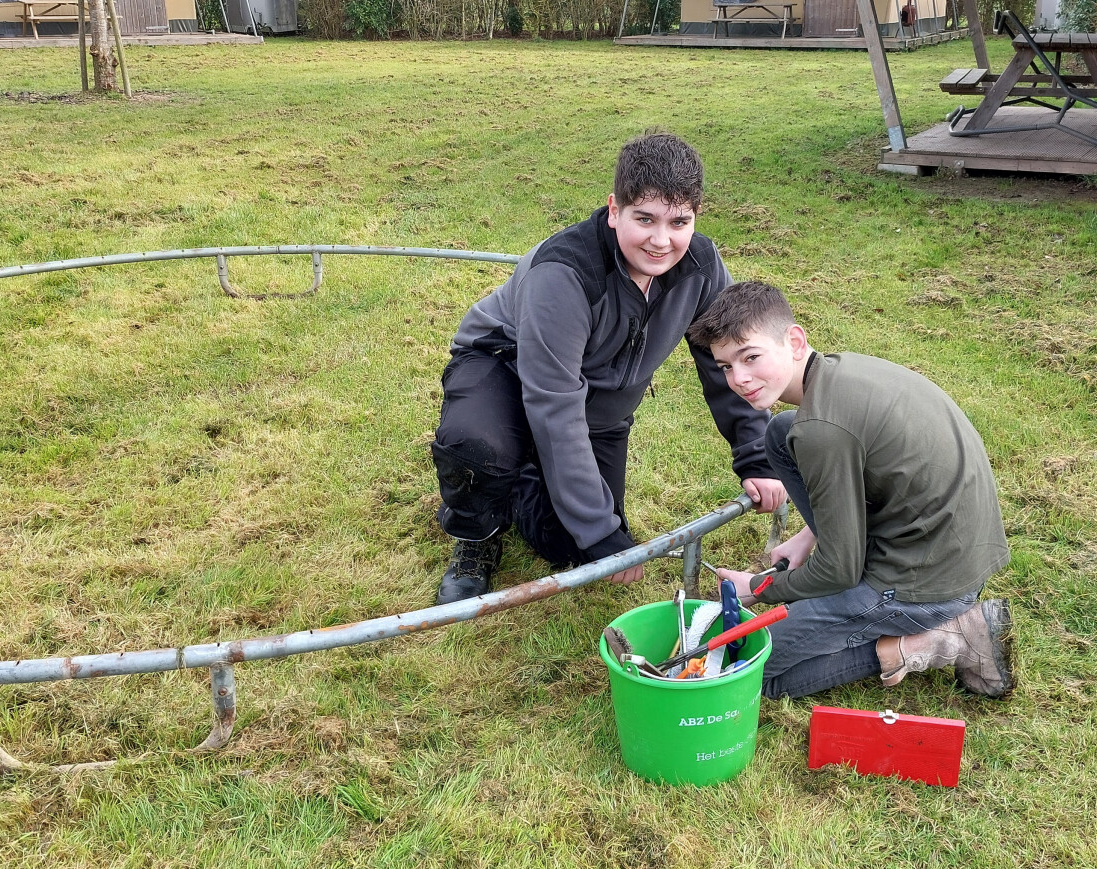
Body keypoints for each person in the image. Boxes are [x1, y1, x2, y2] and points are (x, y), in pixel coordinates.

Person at [430, 133, 786, 605]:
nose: (662, 241)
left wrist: (757, 454)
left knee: (567, 545)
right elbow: (554, 403)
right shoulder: (564, 273)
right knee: (479, 447)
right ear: (614, 210)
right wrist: (600, 529)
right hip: (504, 370)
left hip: (600, 410)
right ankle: (475, 534)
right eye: (645, 219)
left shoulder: (700, 265)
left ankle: (521, 477)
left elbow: (729, 358)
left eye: (680, 221)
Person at [687, 281, 1015, 699]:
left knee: (752, 672)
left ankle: (944, 638)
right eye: (726, 367)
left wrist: (759, 587)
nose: (740, 379)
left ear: (794, 340)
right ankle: (867, 579)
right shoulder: (837, 373)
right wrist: (812, 534)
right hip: (953, 549)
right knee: (779, 432)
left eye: (750, 357)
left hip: (927, 585)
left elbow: (837, 571)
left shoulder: (823, 431)